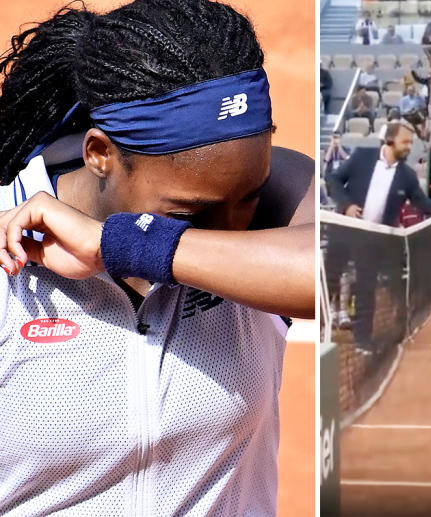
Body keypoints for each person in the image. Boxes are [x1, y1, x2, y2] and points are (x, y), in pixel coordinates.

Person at [0, 0, 314, 513]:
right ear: (99, 154)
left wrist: (116, 245)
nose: (231, 232)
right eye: (190, 212)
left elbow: (335, 271)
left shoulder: (272, 201)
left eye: (250, 198)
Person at [327, 122, 431, 352]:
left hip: (373, 239)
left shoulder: (408, 176)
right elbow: (333, 180)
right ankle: (315, 330)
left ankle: (362, 341)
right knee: (329, 281)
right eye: (405, 142)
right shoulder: (362, 156)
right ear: (389, 141)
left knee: (366, 289)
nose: (409, 147)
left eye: (410, 143)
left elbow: (422, 204)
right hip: (343, 230)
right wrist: (347, 205)